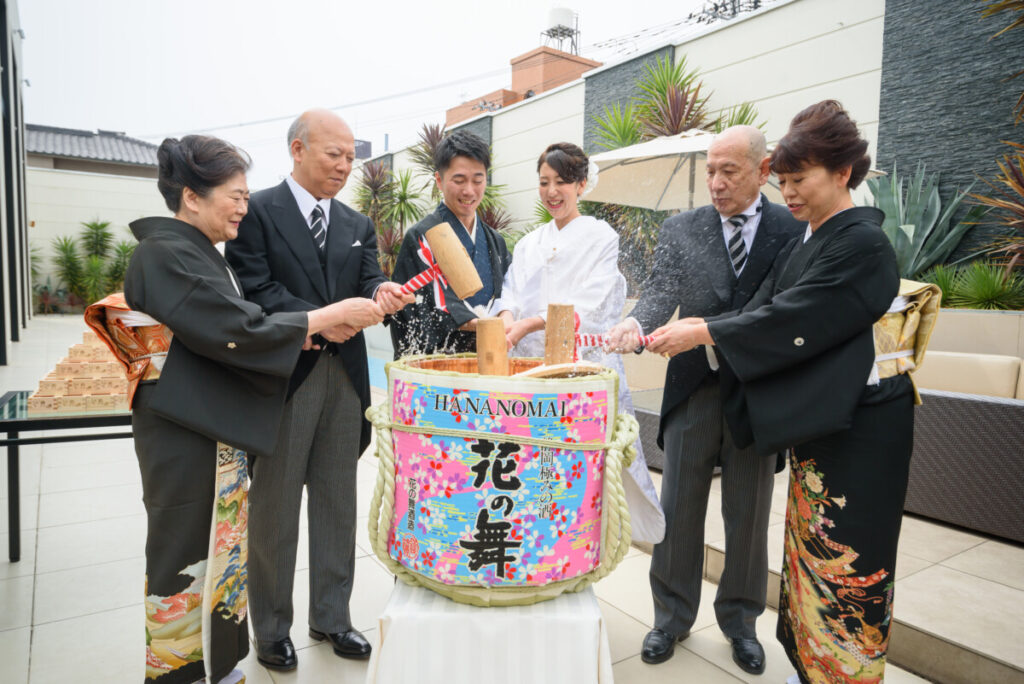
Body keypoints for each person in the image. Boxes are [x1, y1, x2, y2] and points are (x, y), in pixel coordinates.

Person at [654, 101, 912, 683]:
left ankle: (838, 669)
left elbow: (789, 316)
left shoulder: (859, 244)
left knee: (845, 559)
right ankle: (806, 666)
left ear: (843, 173)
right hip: (814, 421)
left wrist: (706, 330)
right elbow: (767, 312)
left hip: (861, 427)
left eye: (799, 180)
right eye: (785, 181)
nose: (789, 192)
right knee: (807, 553)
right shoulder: (811, 239)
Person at [122, 135, 383, 684]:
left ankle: (214, 666)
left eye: (245, 195)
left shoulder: (194, 252)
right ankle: (178, 673)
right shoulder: (163, 253)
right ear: (192, 197)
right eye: (234, 195)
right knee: (182, 549)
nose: (244, 205)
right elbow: (238, 328)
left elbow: (233, 329)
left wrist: (297, 334)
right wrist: (317, 320)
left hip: (209, 423)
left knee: (216, 548)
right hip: (181, 429)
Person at [605, 125, 803, 674]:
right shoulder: (682, 228)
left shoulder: (791, 228)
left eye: (729, 171)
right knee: (679, 510)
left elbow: (782, 310)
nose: (715, 183)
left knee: (748, 514)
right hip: (692, 388)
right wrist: (633, 324)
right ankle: (670, 618)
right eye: (711, 170)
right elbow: (662, 293)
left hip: (757, 394)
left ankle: (741, 622)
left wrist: (709, 328)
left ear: (763, 172)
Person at [224, 110, 412, 671]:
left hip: (347, 380)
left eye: (352, 157)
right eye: (335, 154)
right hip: (286, 377)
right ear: (298, 149)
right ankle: (272, 629)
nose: (345, 165)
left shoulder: (355, 223)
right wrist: (321, 318)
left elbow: (366, 280)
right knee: (275, 510)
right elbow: (254, 287)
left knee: (337, 503)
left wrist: (383, 289)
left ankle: (332, 617)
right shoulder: (255, 211)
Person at [498, 141, 665, 543]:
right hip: (529, 372)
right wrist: (505, 318)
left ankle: (576, 541)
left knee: (575, 468)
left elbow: (589, 304)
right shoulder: (527, 242)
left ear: (582, 184)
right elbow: (510, 292)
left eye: (562, 181)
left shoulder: (600, 235)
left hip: (578, 370)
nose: (552, 191)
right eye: (544, 182)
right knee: (530, 463)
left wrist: (527, 325)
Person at [389, 129, 512, 356]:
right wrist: (475, 324)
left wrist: (507, 314)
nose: (469, 191)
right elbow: (415, 310)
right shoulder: (422, 236)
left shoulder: (495, 241)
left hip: (490, 356)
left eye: (478, 180)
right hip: (443, 362)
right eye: (459, 180)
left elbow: (509, 292)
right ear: (439, 180)